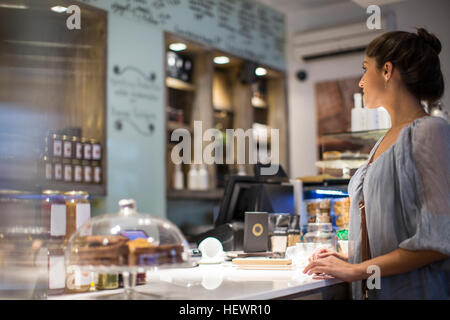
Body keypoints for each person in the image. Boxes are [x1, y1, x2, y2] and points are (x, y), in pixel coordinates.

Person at [303, 28, 449, 300]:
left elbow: (437, 242)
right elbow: (394, 233)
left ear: (387, 71)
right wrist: (349, 256)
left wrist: (357, 269)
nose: (360, 81)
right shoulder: (383, 141)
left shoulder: (430, 131)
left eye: (365, 68)